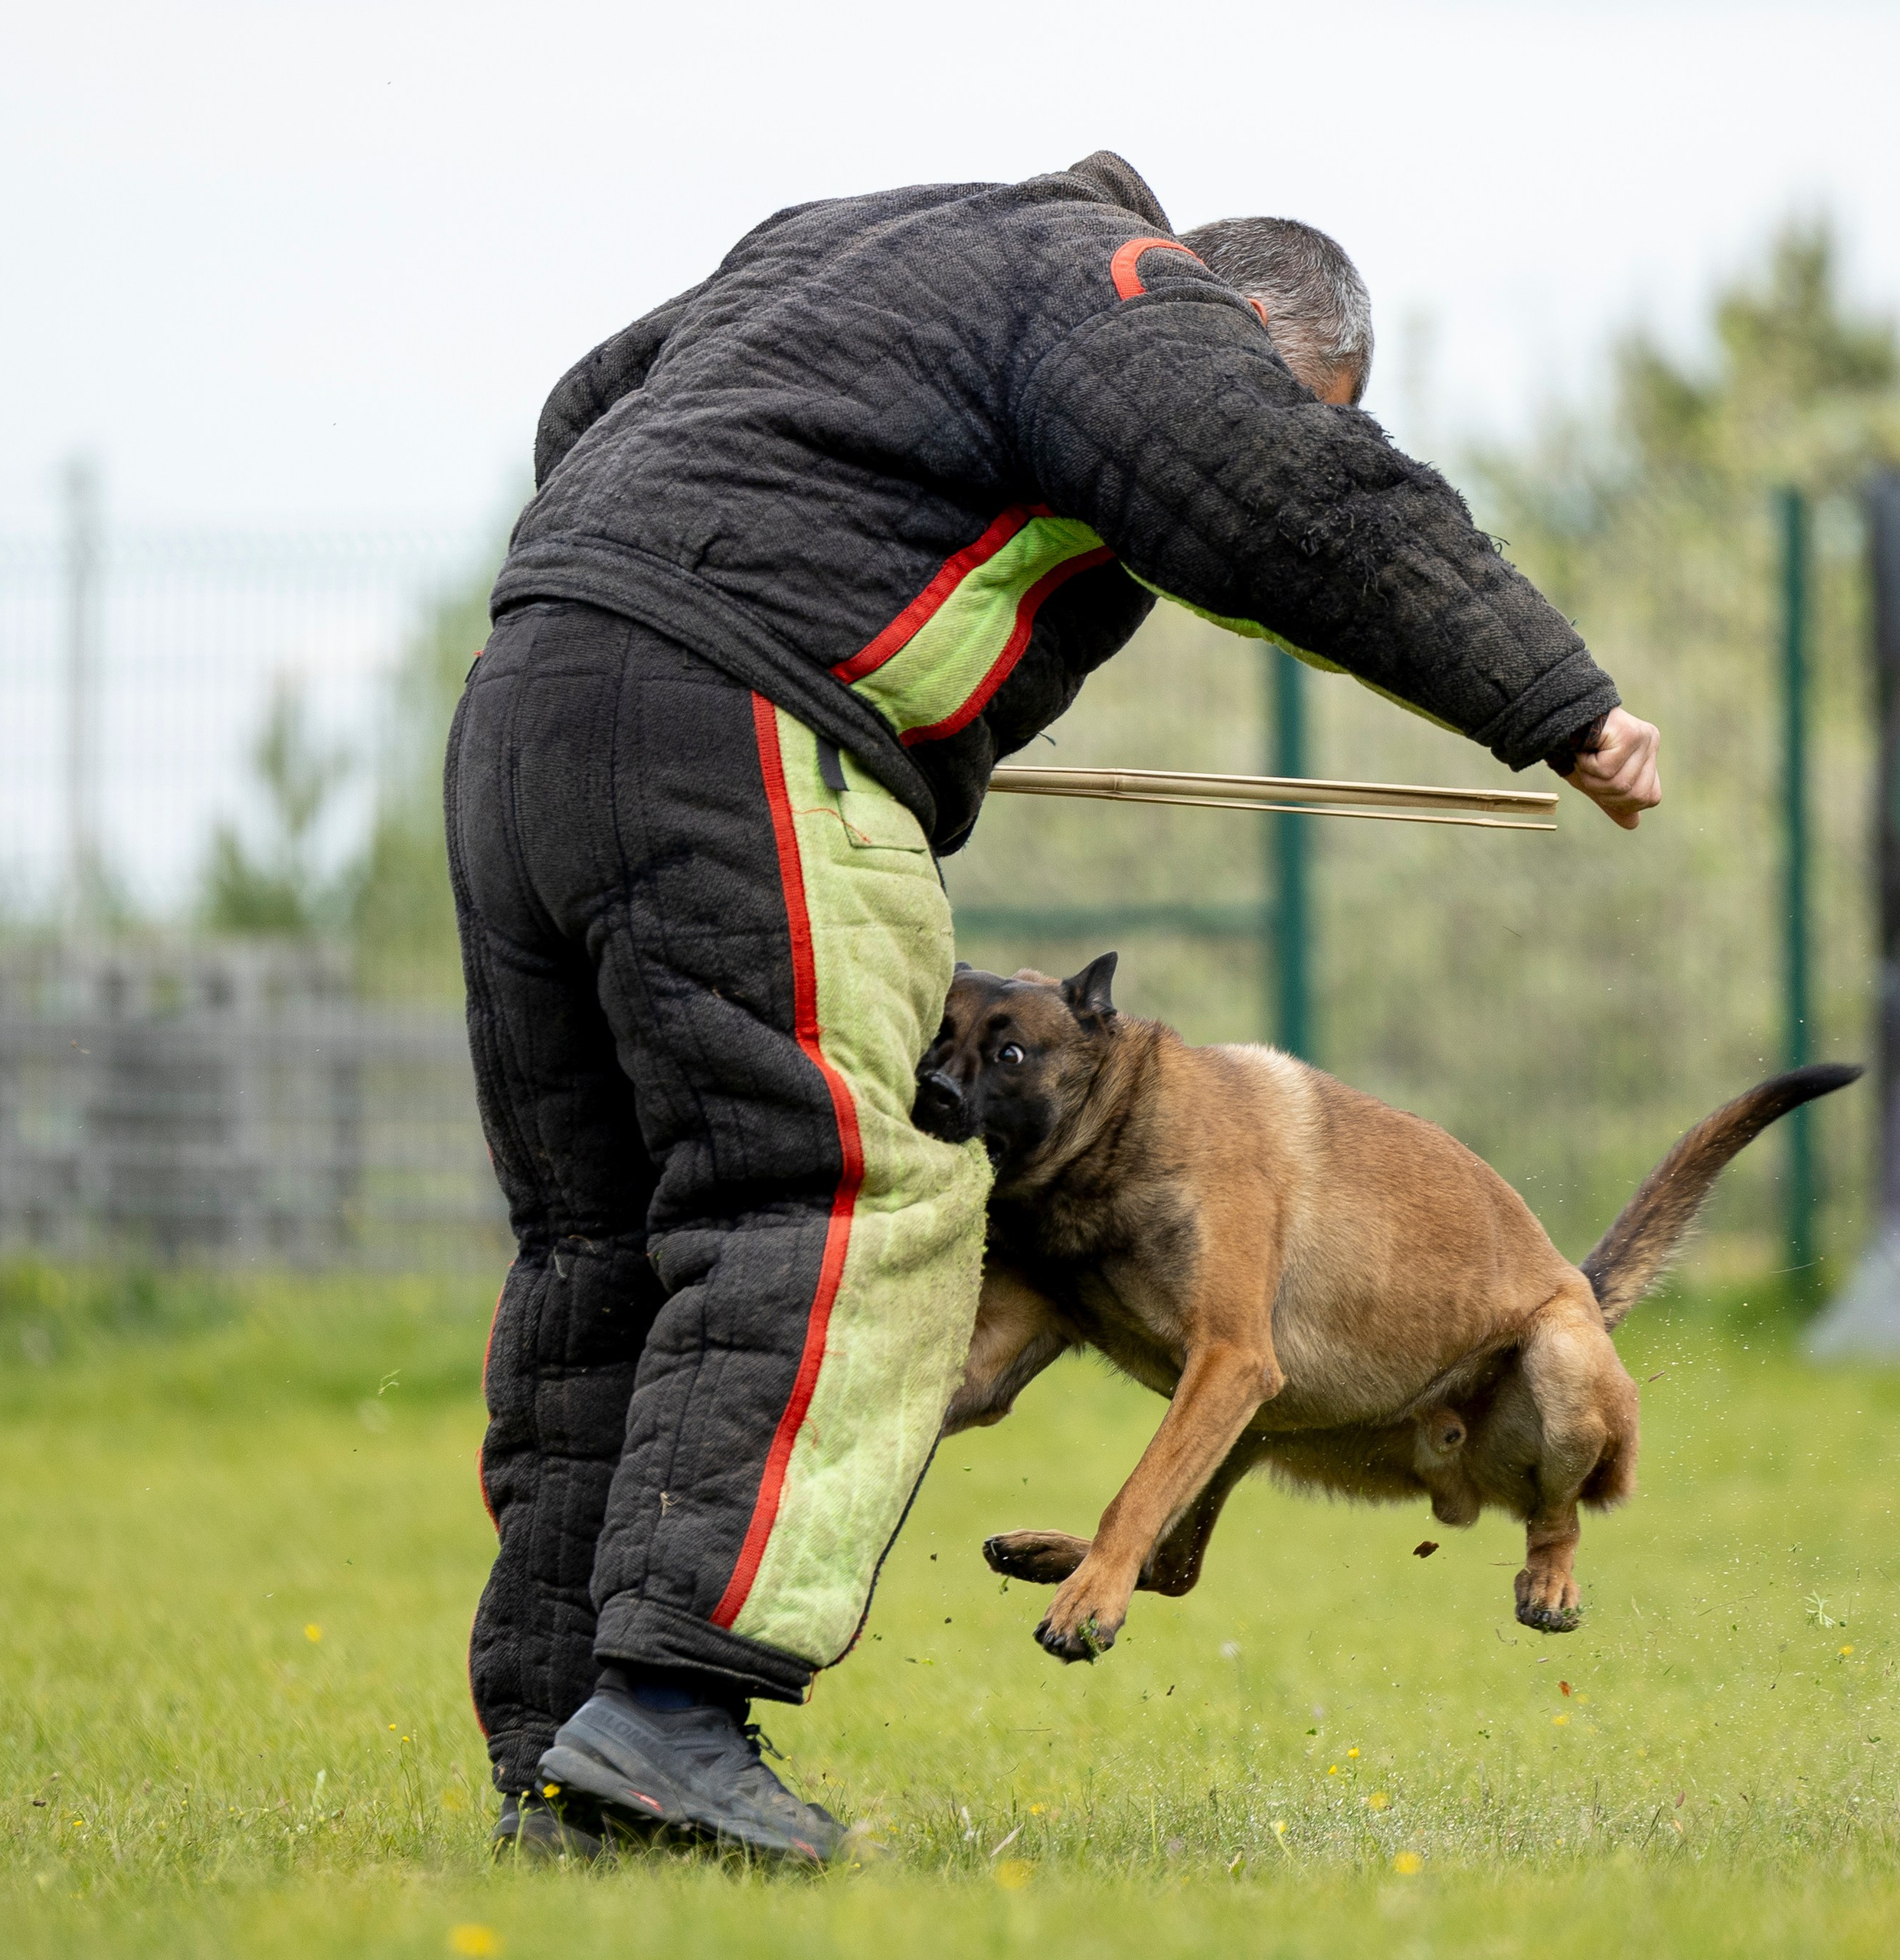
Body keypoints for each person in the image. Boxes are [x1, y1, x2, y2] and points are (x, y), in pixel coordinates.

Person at [446, 149, 1661, 1864]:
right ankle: (660, 1717)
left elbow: (597, 402)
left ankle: (557, 1760)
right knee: (827, 1196)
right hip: (736, 738)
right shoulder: (1133, 299)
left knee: (605, 1243)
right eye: (1290, 395)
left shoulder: (867, 241)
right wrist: (1557, 701)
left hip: (522, 708)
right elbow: (1283, 499)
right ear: (1258, 332)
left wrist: (681, 621)